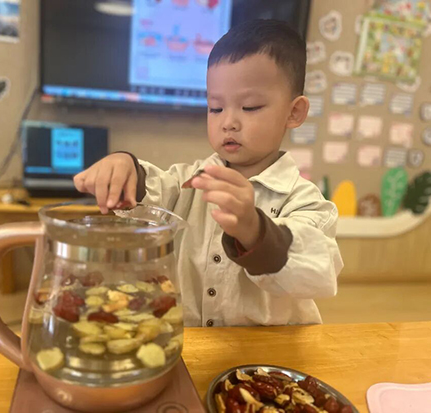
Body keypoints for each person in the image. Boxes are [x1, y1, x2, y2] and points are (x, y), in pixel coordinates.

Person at [74, 19, 343, 327]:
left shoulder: (303, 200)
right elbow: (154, 192)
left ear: (294, 112)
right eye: (215, 108)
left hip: (270, 352)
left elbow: (319, 270)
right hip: (193, 345)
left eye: (250, 107)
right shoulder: (189, 184)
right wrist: (124, 166)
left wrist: (255, 231)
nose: (228, 122)